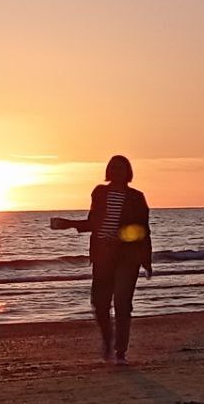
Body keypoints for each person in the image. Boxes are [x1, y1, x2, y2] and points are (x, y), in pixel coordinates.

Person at [50, 155, 152, 364]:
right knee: (100, 303)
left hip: (127, 257)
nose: (116, 172)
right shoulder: (100, 193)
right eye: (113, 168)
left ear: (128, 172)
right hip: (102, 255)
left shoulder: (136, 197)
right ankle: (108, 340)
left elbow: (142, 229)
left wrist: (146, 260)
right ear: (108, 171)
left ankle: (120, 351)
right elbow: (93, 222)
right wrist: (68, 223)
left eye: (121, 168)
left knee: (123, 303)